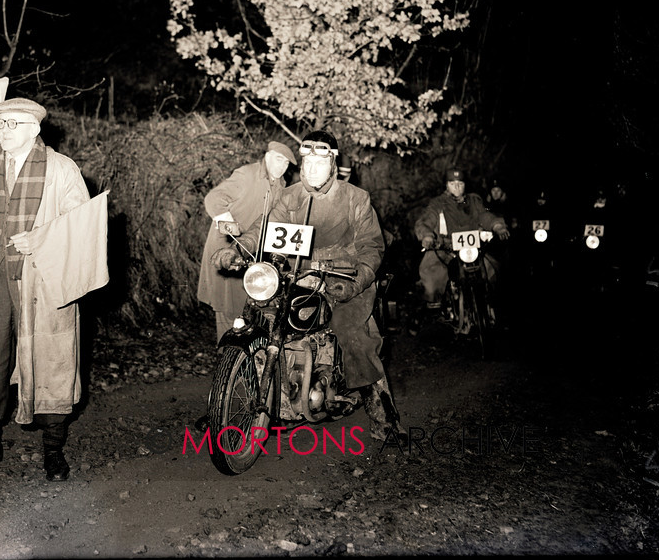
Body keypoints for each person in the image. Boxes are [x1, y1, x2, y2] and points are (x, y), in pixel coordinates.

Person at [0, 97, 99, 482]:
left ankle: (53, 451)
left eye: (14, 124)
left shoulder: (62, 170)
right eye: (1, 124)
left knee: (50, 365)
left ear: (35, 129)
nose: (5, 130)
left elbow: (83, 229)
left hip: (41, 285)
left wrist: (41, 240)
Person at [212, 130, 406, 443]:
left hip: (345, 278)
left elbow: (372, 246)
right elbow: (263, 231)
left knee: (354, 335)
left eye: (320, 161)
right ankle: (252, 406)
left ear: (332, 163)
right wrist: (237, 250)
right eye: (307, 161)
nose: (312, 168)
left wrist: (358, 280)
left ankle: (385, 422)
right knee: (262, 314)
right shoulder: (288, 197)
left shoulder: (355, 198)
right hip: (299, 277)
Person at [197, 140, 297, 343]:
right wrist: (229, 223)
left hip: (252, 253)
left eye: (286, 163)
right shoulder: (247, 174)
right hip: (227, 250)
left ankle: (245, 366)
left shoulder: (280, 185)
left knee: (247, 309)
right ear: (267, 157)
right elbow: (214, 198)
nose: (283, 166)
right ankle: (228, 364)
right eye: (279, 159)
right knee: (227, 312)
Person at [414, 167, 511, 315]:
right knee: (431, 271)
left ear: (465, 185)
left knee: (493, 268)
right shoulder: (438, 203)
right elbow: (426, 221)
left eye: (460, 183)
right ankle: (435, 305)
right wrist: (427, 235)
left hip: (472, 248)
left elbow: (485, 216)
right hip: (447, 248)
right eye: (453, 184)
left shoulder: (474, 200)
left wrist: (498, 226)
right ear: (447, 185)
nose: (457, 187)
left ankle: (490, 303)